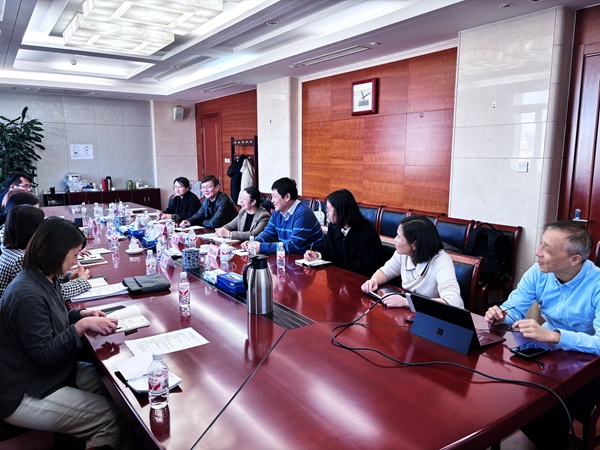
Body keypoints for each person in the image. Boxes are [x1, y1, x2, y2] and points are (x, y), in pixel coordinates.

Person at [0, 217, 124, 449]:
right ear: (56, 251)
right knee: (108, 418)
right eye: (75, 255)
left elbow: (51, 322)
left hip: (48, 373)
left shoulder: (45, 278)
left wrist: (81, 315)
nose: (77, 261)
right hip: (24, 390)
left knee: (118, 385)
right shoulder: (27, 294)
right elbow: (44, 354)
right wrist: (80, 327)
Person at [485, 220, 600, 449]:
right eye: (540, 244)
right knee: (510, 391)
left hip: (591, 363)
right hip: (552, 354)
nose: (538, 252)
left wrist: (555, 336)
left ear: (574, 259)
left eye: (548, 249)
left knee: (542, 404)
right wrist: (500, 315)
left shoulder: (596, 284)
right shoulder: (538, 272)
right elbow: (514, 308)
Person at [361, 214, 462, 308]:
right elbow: (385, 272)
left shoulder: (441, 261)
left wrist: (407, 302)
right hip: (414, 312)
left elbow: (453, 302)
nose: (394, 240)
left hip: (439, 316)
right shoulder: (402, 254)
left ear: (414, 244)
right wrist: (373, 281)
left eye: (398, 236)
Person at [0, 206, 91, 299]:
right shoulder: (21, 259)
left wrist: (67, 276)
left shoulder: (10, 250)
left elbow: (44, 275)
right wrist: (82, 282)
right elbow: (50, 294)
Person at [303, 189, 382, 277]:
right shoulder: (333, 227)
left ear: (340, 211)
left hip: (359, 280)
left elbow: (367, 266)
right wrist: (317, 255)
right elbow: (328, 250)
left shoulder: (367, 232)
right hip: (336, 279)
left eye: (329, 210)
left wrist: (342, 274)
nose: (327, 214)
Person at [241, 177, 324, 255]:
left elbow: (293, 245)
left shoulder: (303, 213)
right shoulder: (277, 212)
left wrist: (262, 247)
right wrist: (253, 243)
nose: (272, 201)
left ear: (287, 197)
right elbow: (268, 234)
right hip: (288, 258)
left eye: (274, 196)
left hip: (307, 261)